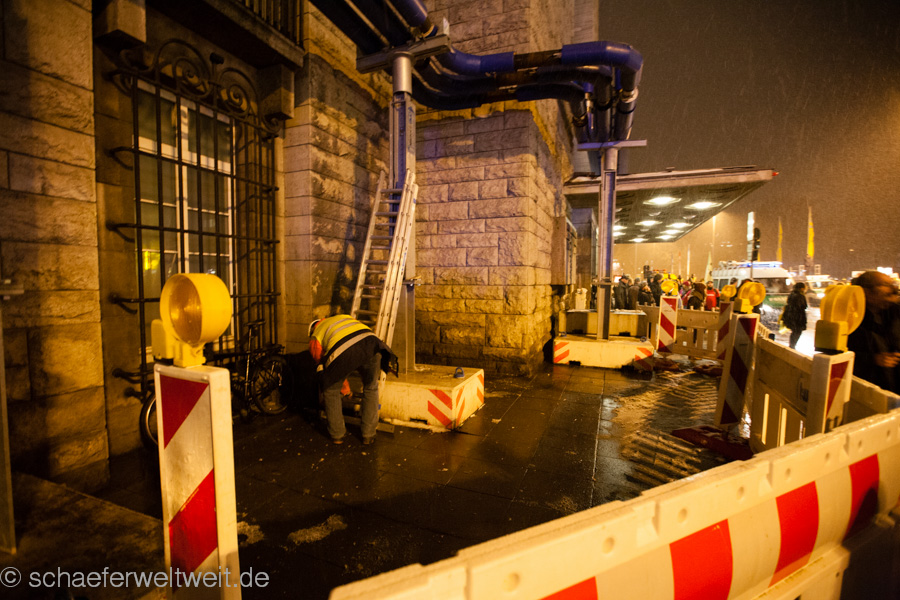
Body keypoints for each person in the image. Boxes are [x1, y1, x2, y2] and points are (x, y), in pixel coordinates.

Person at [309, 314, 398, 445]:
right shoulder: (344, 317)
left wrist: (345, 389)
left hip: (344, 352)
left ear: (312, 329)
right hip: (372, 345)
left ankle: (337, 435)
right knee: (371, 387)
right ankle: (368, 435)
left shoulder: (316, 335)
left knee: (331, 390)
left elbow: (330, 371)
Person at [847, 271, 900, 394]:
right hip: (868, 392)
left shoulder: (893, 313)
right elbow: (839, 356)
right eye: (886, 284)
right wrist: (873, 359)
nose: (892, 288)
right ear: (867, 292)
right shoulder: (850, 320)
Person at [782, 282, 808, 349]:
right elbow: (804, 306)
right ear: (801, 288)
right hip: (798, 317)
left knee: (794, 331)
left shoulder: (791, 294)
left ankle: (792, 345)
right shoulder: (800, 296)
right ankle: (792, 345)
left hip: (791, 315)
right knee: (797, 331)